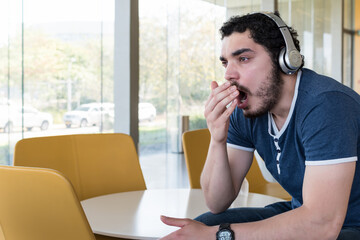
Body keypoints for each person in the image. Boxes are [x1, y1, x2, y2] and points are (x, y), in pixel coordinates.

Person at [160, 11, 360, 240]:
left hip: (347, 224)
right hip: (304, 212)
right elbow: (217, 202)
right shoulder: (248, 110)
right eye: (226, 63)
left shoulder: (326, 104)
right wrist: (217, 139)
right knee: (207, 222)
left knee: (213, 233)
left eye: (243, 59)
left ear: (285, 59)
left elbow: (321, 225)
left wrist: (218, 235)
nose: (228, 74)